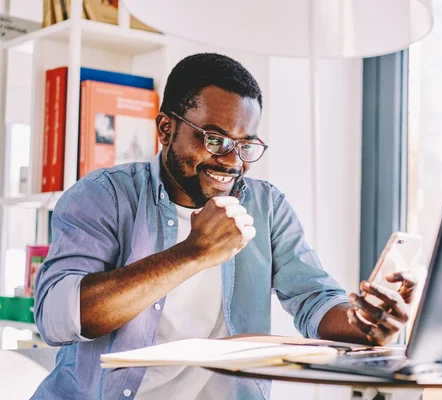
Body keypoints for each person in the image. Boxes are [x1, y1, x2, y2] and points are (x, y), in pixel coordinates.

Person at [32, 53, 416, 399]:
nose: (232, 162)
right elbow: (57, 318)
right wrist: (192, 253)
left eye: (245, 145)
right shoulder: (104, 196)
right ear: (166, 128)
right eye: (214, 139)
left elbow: (315, 299)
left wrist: (364, 323)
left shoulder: (266, 206)